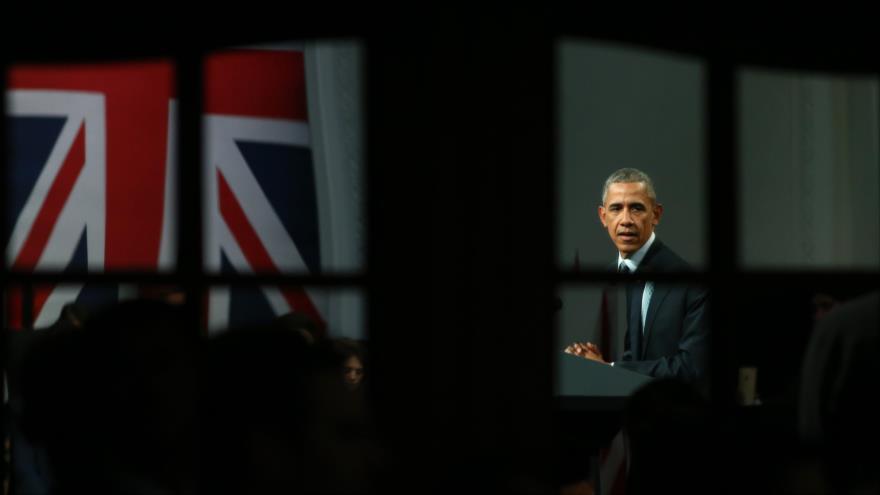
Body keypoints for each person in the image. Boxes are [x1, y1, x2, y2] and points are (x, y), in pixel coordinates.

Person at [565, 168, 709, 383]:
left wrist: (609, 367)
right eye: (616, 208)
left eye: (636, 208)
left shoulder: (693, 285)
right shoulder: (629, 271)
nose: (626, 220)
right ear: (603, 217)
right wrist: (598, 364)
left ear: (656, 215)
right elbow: (639, 356)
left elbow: (692, 367)